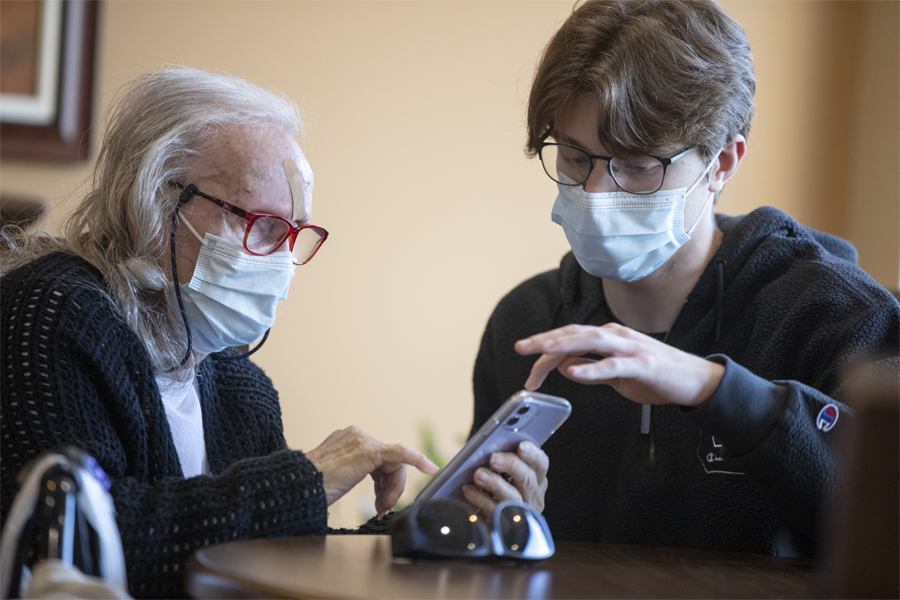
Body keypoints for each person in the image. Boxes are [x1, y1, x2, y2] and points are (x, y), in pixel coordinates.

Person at [462, 0, 900, 559]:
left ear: (722, 163)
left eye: (639, 165)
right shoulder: (526, 322)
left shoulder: (837, 318)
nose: (597, 194)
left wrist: (717, 392)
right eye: (575, 157)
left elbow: (884, 525)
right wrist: (505, 525)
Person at [0, 68, 438, 598]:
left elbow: (277, 555)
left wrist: (430, 528)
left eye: (295, 235)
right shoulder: (50, 311)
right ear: (153, 203)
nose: (283, 263)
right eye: (261, 225)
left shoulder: (238, 382)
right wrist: (305, 479)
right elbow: (79, 551)